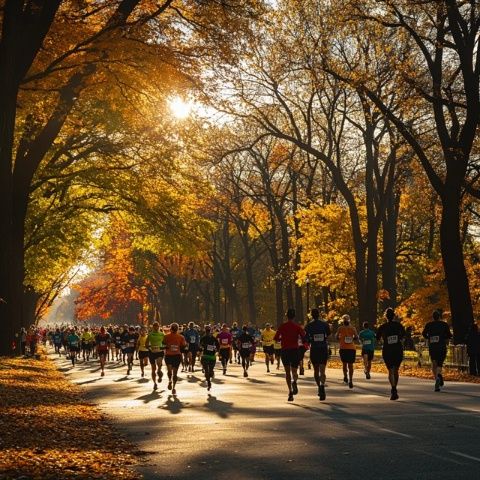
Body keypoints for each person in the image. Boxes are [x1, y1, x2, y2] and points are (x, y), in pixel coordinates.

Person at [274, 308, 306, 402]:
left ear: (286, 316)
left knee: (287, 372)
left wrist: (282, 339)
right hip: (295, 350)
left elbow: (276, 338)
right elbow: (304, 337)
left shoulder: (282, 326)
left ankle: (290, 392)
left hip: (285, 351)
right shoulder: (297, 327)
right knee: (294, 371)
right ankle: (294, 381)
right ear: (294, 316)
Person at [376, 308, 405, 400]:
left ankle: (393, 388)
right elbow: (404, 335)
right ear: (394, 316)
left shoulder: (383, 326)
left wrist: (383, 340)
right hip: (397, 350)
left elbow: (377, 338)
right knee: (396, 369)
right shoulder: (398, 325)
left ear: (386, 316)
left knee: (390, 370)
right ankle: (394, 388)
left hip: (387, 350)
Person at [422, 310, 452, 391]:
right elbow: (449, 335)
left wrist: (429, 337)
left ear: (433, 317)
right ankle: (439, 374)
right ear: (439, 317)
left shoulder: (429, 325)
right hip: (442, 346)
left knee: (434, 362)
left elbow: (423, 334)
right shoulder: (444, 324)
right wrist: (444, 337)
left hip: (432, 347)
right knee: (440, 363)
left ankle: (436, 379)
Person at [305, 309, 331, 401]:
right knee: (322, 370)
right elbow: (328, 334)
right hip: (323, 348)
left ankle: (319, 387)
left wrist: (310, 340)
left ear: (311, 315)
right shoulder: (324, 324)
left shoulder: (308, 326)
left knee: (316, 370)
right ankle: (322, 385)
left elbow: (306, 338)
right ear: (319, 315)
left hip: (314, 349)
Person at [163, 323, 187, 395]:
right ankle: (173, 387)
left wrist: (167, 346)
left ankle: (170, 381)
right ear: (177, 329)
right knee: (175, 373)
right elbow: (184, 346)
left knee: (170, 371)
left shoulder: (166, 336)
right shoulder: (181, 337)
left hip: (169, 356)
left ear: (170, 329)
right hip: (176, 356)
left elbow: (163, 343)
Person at [336, 314, 358, 388]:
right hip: (351, 349)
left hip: (343, 348)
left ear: (343, 321)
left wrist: (340, 339)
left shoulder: (340, 328)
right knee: (350, 365)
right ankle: (351, 380)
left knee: (344, 364)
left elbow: (336, 337)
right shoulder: (353, 328)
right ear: (349, 320)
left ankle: (345, 376)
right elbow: (356, 337)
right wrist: (352, 338)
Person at [145, 322, 165, 390]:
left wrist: (164, 347)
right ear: (153, 327)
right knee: (153, 369)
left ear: (159, 327)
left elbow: (165, 342)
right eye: (155, 326)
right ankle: (155, 383)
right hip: (152, 352)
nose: (156, 327)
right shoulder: (150, 335)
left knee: (159, 364)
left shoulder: (162, 334)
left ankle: (159, 371)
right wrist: (149, 347)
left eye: (157, 326)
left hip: (159, 352)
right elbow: (146, 344)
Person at [200, 325, 220, 391]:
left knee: (206, 371)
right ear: (210, 331)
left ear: (205, 331)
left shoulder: (203, 337)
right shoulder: (213, 338)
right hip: (212, 357)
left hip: (205, 356)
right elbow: (218, 345)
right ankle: (209, 377)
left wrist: (202, 348)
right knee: (209, 371)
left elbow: (200, 345)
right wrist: (217, 350)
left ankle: (208, 382)